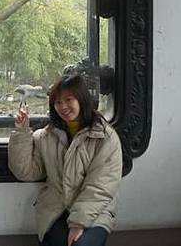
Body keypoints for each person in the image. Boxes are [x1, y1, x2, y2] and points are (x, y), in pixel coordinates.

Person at [8, 74, 122, 246]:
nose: (63, 106)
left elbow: (100, 187)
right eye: (58, 102)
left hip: (94, 213)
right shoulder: (46, 137)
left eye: (69, 100)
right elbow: (26, 172)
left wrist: (78, 223)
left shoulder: (105, 138)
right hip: (56, 209)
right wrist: (22, 132)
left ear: (82, 99)